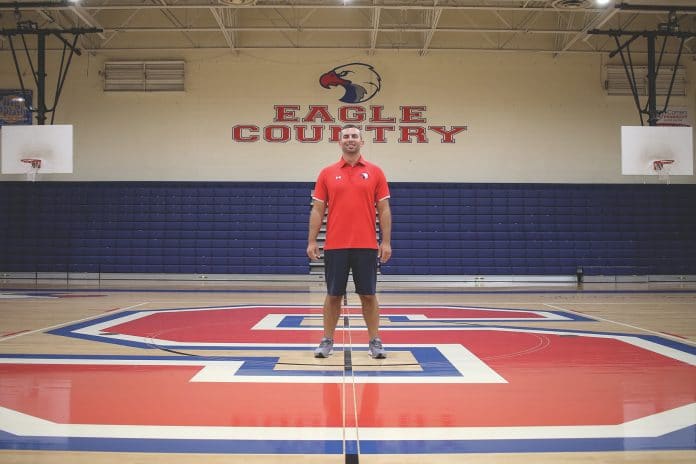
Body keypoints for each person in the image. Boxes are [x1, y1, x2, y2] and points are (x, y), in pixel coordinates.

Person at [307, 124, 392, 359]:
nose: (350, 139)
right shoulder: (327, 173)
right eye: (346, 136)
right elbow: (317, 210)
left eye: (354, 136)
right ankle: (327, 340)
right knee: (333, 295)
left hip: (366, 245)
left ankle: (375, 341)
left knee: (368, 295)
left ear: (362, 142)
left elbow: (384, 210)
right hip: (335, 245)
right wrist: (311, 241)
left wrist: (386, 242)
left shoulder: (376, 172)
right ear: (339, 142)